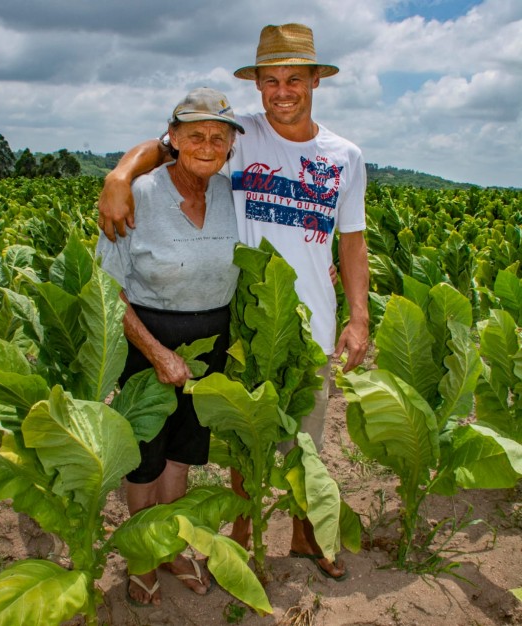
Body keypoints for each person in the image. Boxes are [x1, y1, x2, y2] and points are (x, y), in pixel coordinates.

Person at [98, 23, 369, 581]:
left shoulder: (345, 155)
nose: (282, 91)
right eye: (271, 80)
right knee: (244, 437)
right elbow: (167, 143)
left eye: (295, 78)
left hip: (312, 322)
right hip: (245, 319)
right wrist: (120, 173)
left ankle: (303, 536)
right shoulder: (238, 132)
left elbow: (353, 240)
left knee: (305, 442)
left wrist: (359, 317)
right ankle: (242, 532)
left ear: (316, 80)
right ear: (259, 86)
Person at [96, 87, 244, 606]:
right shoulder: (137, 193)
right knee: (145, 456)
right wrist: (157, 352)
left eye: (219, 137)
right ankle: (141, 552)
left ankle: (173, 544)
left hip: (211, 341)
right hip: (148, 338)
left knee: (182, 455)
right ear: (173, 139)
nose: (207, 144)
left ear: (230, 146)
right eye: (195, 134)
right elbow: (110, 291)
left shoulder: (233, 195)